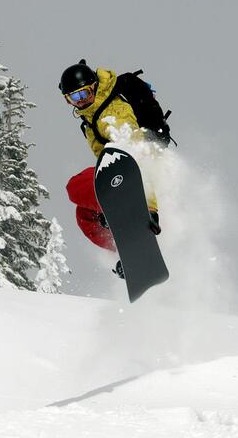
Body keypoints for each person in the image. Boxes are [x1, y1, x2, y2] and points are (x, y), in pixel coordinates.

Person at [60, 59, 171, 277]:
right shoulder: (91, 119)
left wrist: (150, 208)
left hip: (136, 175)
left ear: (93, 87)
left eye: (84, 94)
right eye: (74, 98)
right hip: (118, 174)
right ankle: (128, 250)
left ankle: (120, 216)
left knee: (74, 186)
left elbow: (138, 157)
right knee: (83, 215)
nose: (81, 102)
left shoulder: (113, 111)